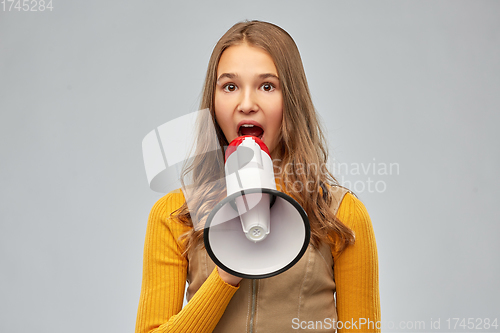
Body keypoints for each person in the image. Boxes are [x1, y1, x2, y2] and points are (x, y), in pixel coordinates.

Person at [135, 20, 380, 333]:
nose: (247, 104)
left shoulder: (341, 214)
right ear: (213, 102)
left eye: (267, 86)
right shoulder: (174, 216)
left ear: (290, 100)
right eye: (230, 87)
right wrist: (226, 274)